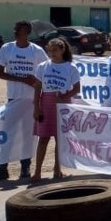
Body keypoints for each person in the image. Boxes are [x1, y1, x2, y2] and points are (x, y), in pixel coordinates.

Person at [0, 20, 49, 182]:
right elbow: (0, 73)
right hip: (13, 98)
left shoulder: (37, 51)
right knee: (7, 134)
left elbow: (45, 73)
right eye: (15, 29)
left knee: (28, 135)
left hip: (31, 100)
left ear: (27, 32)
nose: (15, 31)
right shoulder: (7, 48)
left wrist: (34, 82)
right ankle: (2, 169)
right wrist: (22, 79)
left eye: (19, 29)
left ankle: (25, 168)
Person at [32, 38, 81, 182]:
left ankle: (57, 169)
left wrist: (65, 95)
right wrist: (36, 107)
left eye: (55, 50)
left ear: (62, 50)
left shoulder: (70, 67)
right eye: (50, 50)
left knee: (60, 140)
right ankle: (37, 171)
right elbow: (38, 87)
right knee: (43, 139)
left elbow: (77, 88)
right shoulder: (43, 66)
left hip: (64, 105)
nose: (52, 53)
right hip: (46, 103)